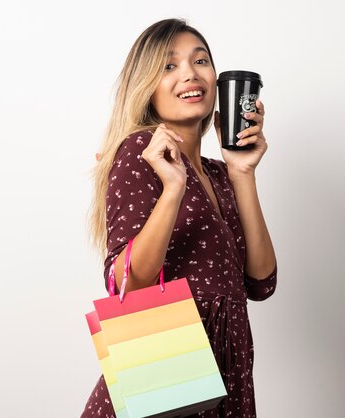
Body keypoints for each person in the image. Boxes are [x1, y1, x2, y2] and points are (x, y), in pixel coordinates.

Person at [82, 18, 277, 418]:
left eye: (200, 60)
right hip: (169, 375)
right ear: (146, 87)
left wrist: (242, 172)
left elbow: (261, 282)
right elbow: (125, 281)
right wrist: (173, 188)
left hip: (227, 369)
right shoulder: (138, 154)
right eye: (169, 66)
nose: (190, 73)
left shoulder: (220, 173)